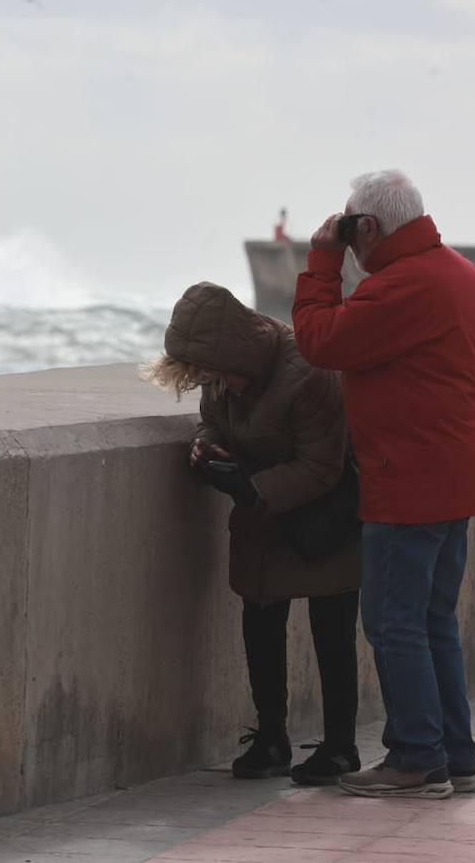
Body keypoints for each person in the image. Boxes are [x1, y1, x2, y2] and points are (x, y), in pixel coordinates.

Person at [292, 169, 475, 800]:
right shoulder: (457, 273)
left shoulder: (403, 287)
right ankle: (456, 758)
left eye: (354, 232)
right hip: (455, 474)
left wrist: (322, 263)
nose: (352, 245)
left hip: (409, 481)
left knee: (393, 624)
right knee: (434, 620)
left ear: (372, 226)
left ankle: (416, 757)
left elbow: (317, 340)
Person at [144, 282, 362, 786]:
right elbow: (211, 423)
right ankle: (271, 738)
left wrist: (251, 487)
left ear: (230, 353)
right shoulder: (219, 372)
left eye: (212, 375)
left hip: (322, 513)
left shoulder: (308, 372)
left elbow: (323, 465)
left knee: (332, 629)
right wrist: (206, 448)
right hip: (262, 512)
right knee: (260, 621)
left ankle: (340, 746)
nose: (211, 384)